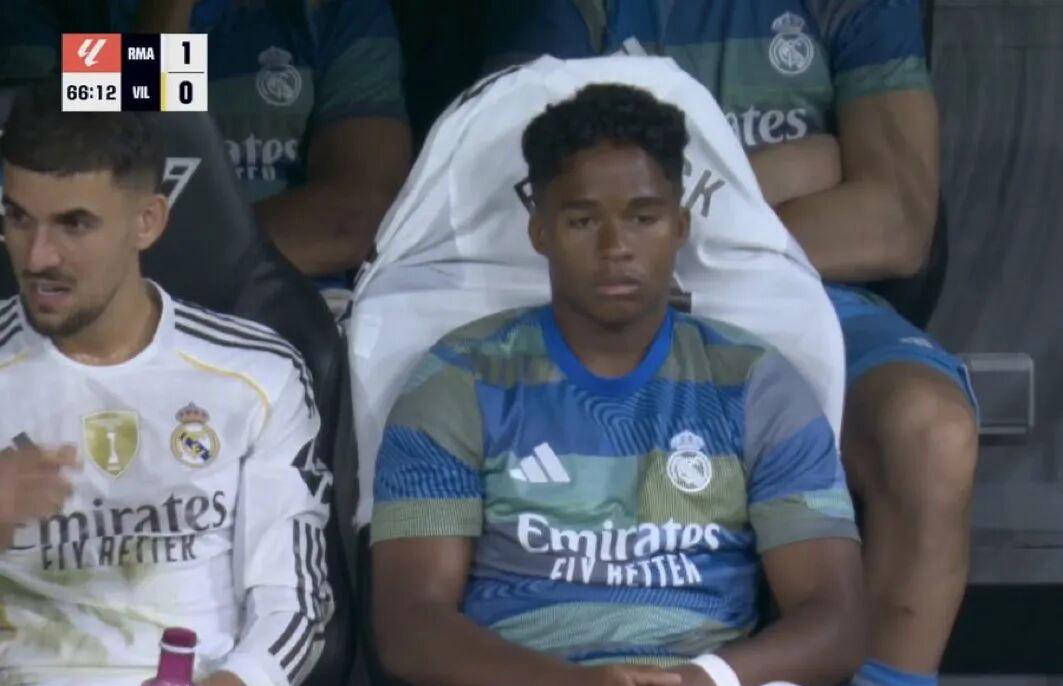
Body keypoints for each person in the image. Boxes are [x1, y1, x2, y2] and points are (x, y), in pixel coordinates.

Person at [480, 4, 980, 685]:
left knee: (931, 431)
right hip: (626, 294)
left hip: (816, 289)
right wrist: (800, 167)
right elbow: (535, 187)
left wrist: (673, 212)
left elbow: (895, 224)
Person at [370, 84, 865, 686]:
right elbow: (409, 624)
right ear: (540, 232)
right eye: (582, 221)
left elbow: (836, 620)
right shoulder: (457, 379)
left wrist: (704, 679)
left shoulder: (758, 384)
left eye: (643, 217)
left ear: (680, 226)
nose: (615, 248)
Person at [0, 84, 332, 686]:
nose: (38, 257)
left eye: (74, 224)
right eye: (19, 218)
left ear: (147, 221)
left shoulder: (256, 375)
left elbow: (292, 603)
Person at [0, 0, 412, 296]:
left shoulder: (331, 10)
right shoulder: (55, 13)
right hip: (98, 316)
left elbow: (357, 215)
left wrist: (164, 261)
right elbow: (56, 173)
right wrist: (165, 16)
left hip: (284, 307)